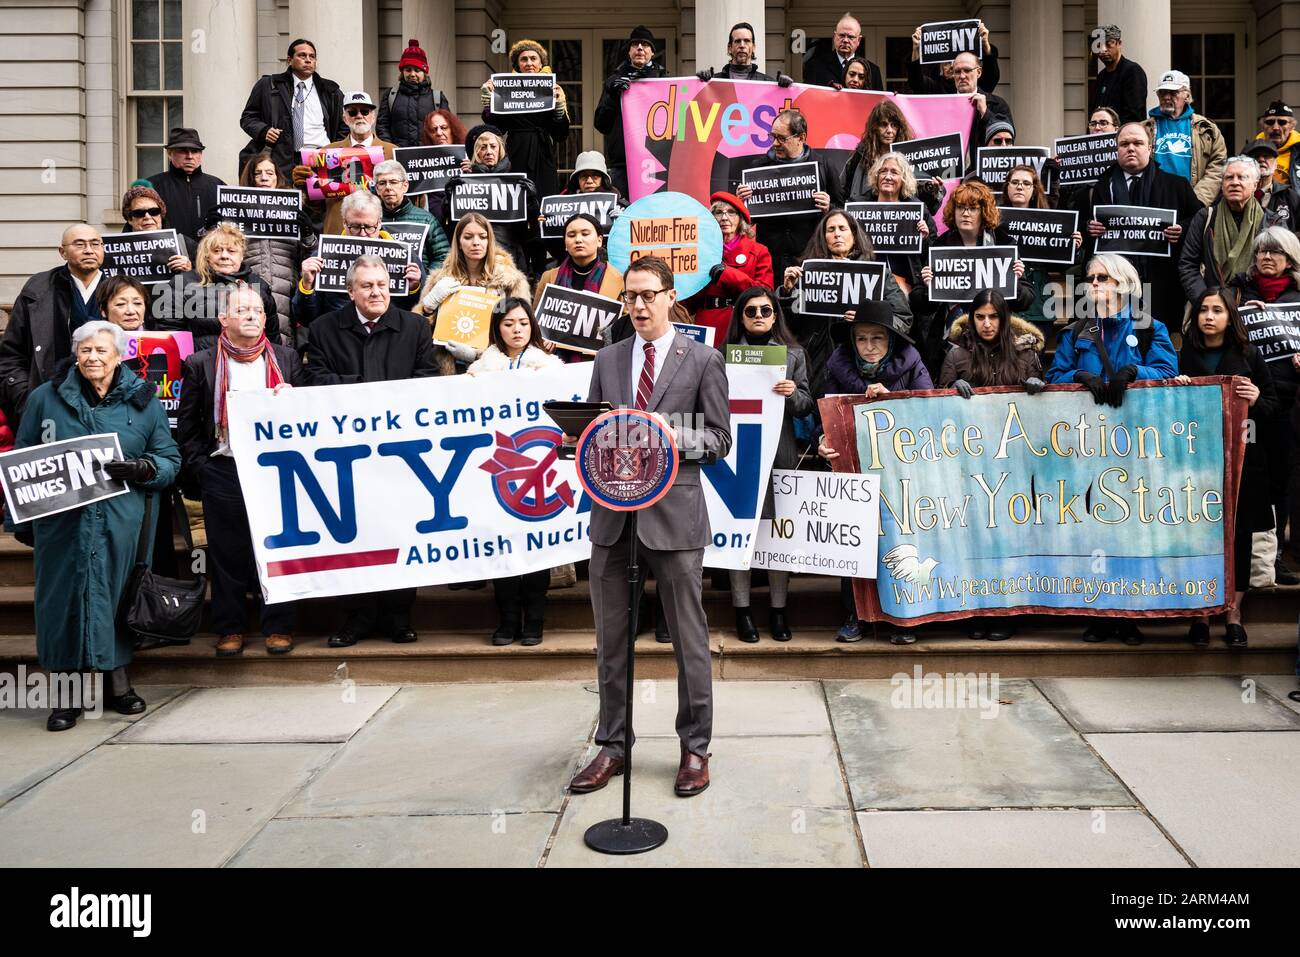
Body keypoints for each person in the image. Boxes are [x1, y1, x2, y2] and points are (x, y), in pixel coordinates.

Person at [568, 256, 731, 799]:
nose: (637, 306)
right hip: (613, 517)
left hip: (675, 517)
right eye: (629, 297)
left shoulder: (702, 359)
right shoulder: (609, 358)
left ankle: (695, 749)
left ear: (669, 295)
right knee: (611, 639)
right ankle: (612, 745)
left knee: (689, 638)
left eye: (646, 295)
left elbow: (718, 440)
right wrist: (582, 437)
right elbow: (597, 429)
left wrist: (670, 435)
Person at [14, 320, 180, 731]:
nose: (92, 358)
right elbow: (21, 461)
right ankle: (67, 698)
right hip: (61, 524)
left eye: (101, 351)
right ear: (75, 354)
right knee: (61, 604)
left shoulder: (144, 402)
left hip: (122, 521)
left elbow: (171, 460)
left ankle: (118, 685)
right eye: (85, 350)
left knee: (116, 597)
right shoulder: (44, 399)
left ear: (119, 354)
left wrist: (144, 467)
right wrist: (19, 520)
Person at [305, 255, 450, 646]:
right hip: (346, 455)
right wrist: (367, 386)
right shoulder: (323, 329)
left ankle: (398, 617)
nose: (376, 292)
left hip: (400, 453)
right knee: (354, 537)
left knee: (401, 531)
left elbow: (427, 379)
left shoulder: (415, 326)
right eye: (367, 286)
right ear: (350, 291)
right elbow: (314, 380)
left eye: (383, 285)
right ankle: (354, 618)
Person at [1046, 254, 1177, 645]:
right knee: (1092, 524)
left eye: (1103, 277)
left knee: (1132, 527)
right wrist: (1080, 375)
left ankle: (1129, 612)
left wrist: (1135, 372)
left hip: (1135, 443)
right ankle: (1099, 611)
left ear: (1123, 282)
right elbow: (1056, 375)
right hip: (1088, 443)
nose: (1095, 284)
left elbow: (1168, 371)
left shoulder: (1150, 327)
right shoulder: (1077, 331)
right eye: (1090, 278)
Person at [176, 285, 304, 658]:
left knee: (277, 550)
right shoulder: (201, 363)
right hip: (224, 468)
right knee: (227, 553)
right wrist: (203, 467)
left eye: (257, 310)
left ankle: (278, 626)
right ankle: (230, 627)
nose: (251, 315)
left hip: (276, 470)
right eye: (242, 309)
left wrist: (292, 401)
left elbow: (310, 418)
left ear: (266, 319)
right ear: (224, 319)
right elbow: (187, 427)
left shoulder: (288, 359)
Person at [815, 299, 932, 645]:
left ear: (891, 341)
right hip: (852, 467)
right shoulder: (836, 365)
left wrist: (895, 397)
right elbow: (818, 416)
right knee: (854, 540)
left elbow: (929, 412)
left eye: (877, 339)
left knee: (900, 542)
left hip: (902, 470)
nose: (868, 347)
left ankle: (903, 618)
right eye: (861, 339)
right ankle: (856, 615)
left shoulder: (912, 364)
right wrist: (821, 439)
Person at [938, 289, 1046, 640]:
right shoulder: (956, 355)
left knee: (1007, 537)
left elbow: (1044, 413)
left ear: (1003, 319)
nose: (986, 324)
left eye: (993, 317)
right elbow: (934, 405)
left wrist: (1038, 387)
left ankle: (1004, 610)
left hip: (1013, 461)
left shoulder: (1025, 355)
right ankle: (975, 609)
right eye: (980, 317)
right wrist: (952, 388)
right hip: (969, 462)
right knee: (974, 536)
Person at [1174, 288, 1275, 648]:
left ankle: (1233, 612)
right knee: (1200, 534)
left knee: (1239, 535)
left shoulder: (1249, 354)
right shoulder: (1184, 356)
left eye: (1217, 310)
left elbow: (1273, 408)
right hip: (1197, 461)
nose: (1209, 316)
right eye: (1203, 310)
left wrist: (1258, 399)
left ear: (1230, 316)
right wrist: (1177, 389)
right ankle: (1201, 613)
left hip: (1245, 460)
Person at [465, 297, 563, 645]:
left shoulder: (551, 367)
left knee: (536, 545)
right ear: (497, 327)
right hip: (497, 467)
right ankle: (507, 619)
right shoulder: (480, 371)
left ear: (532, 325)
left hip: (537, 464)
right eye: (508, 324)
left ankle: (534, 618)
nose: (516, 329)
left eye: (522, 322)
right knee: (501, 543)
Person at [724, 287, 811, 641]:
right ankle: (741, 611)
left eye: (765, 310)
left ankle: (778, 610)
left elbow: (807, 404)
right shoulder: (722, 356)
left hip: (780, 450)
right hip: (739, 452)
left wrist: (793, 394)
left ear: (776, 314)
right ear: (741, 317)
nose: (758, 316)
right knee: (739, 533)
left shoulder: (793, 354)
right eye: (751, 311)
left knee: (779, 534)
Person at [1228, 227, 1300, 583]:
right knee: (1250, 477)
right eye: (1261, 252)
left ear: (1290, 260)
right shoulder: (1237, 293)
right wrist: (1240, 316)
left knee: (1282, 478)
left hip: (1288, 400)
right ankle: (1243, 557)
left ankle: (1274, 559)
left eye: (1275, 252)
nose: (1266, 258)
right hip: (1247, 402)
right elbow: (1210, 328)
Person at [780, 208, 912, 397]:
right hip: (816, 361)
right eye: (831, 229)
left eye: (842, 228)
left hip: (864, 363)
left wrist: (868, 320)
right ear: (823, 237)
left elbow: (903, 318)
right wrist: (787, 293)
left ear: (854, 235)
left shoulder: (877, 275)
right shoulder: (806, 274)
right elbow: (789, 327)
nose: (837, 234)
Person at [1086, 122, 1203, 330]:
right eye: (1124, 144)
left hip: (1162, 284)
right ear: (1117, 149)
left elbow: (1201, 219)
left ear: (1150, 148)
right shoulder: (1100, 187)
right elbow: (1081, 228)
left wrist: (1182, 229)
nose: (1131, 148)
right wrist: (1090, 228)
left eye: (1138, 143)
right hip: (1115, 284)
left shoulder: (1176, 185)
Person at [913, 180, 1031, 368]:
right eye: (960, 207)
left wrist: (1014, 281)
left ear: (983, 212)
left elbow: (1025, 300)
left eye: (973, 208)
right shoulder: (940, 246)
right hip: (950, 340)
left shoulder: (1003, 242)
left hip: (995, 336)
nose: (966, 213)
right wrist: (928, 287)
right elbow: (918, 302)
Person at [0, 224, 105, 422]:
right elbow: (11, 355)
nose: (89, 250)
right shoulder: (38, 288)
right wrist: (27, 397)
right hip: (49, 399)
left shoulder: (119, 288)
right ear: (62, 252)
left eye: (95, 244)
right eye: (79, 244)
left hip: (106, 403)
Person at [292, 191, 425, 335]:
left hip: (389, 338)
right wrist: (306, 286)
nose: (362, 234)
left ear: (379, 223)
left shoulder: (404, 256)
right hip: (339, 338)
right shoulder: (324, 256)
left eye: (368, 227)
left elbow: (419, 312)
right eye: (355, 227)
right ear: (344, 222)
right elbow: (306, 318)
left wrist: (414, 288)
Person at [737, 109, 844, 280]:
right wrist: (741, 203)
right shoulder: (758, 168)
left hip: (811, 258)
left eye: (782, 138)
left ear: (800, 138)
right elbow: (747, 221)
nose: (775, 143)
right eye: (772, 136)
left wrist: (828, 208)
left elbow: (842, 213)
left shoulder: (824, 166)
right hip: (770, 261)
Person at [418, 213, 532, 367]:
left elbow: (522, 333)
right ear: (458, 242)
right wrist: (427, 306)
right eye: (468, 237)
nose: (476, 243)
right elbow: (418, 333)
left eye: (482, 237)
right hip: (447, 367)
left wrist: (478, 356)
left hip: (493, 369)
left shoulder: (512, 281)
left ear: (490, 241)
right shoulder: (440, 279)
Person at [223, 151, 318, 330]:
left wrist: (308, 235)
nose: (264, 178)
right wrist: (212, 227)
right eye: (258, 173)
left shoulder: (293, 208)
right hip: (246, 285)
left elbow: (310, 257)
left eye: (269, 173)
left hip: (287, 286)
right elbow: (218, 250)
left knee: (283, 338)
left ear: (277, 178)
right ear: (251, 179)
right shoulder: (234, 211)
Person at [153, 222, 280, 352]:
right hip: (201, 368)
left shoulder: (259, 286)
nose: (224, 256)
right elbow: (170, 334)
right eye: (217, 251)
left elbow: (272, 336)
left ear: (241, 256)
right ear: (207, 256)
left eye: (231, 251)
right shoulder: (182, 284)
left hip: (250, 364)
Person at [239, 38, 346, 179]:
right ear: (289, 60)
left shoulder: (331, 90)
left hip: (320, 158)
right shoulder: (268, 85)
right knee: (286, 199)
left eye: (312, 56)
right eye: (302, 55)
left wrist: (333, 150)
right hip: (282, 159)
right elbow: (248, 118)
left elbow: (344, 125)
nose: (308, 60)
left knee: (317, 200)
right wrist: (263, 131)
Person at [294, 91, 396, 237]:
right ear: (345, 118)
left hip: (380, 234)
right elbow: (315, 205)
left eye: (365, 111)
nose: (359, 116)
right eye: (352, 112)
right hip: (337, 234)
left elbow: (407, 195)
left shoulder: (392, 152)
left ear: (373, 116)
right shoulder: (326, 152)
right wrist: (304, 186)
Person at [445, 124, 540, 276]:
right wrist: (448, 203)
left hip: (509, 260)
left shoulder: (516, 184)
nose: (488, 151)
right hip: (472, 262)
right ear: (476, 153)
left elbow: (530, 234)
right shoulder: (462, 184)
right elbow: (452, 230)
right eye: (483, 147)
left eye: (493, 146)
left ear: (500, 150)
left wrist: (531, 204)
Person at [480, 40, 570, 198]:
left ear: (541, 63)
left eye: (533, 58)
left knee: (544, 198)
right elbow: (497, 128)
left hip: (542, 154)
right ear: (517, 65)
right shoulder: (505, 89)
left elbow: (560, 134)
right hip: (516, 151)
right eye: (524, 59)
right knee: (517, 198)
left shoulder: (553, 89)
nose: (529, 63)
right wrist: (490, 102)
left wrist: (559, 109)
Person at [684, 192, 774, 346]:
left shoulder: (759, 251)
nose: (724, 218)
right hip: (708, 323)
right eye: (718, 212)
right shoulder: (700, 251)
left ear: (740, 219)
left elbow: (765, 293)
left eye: (731, 212)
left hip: (743, 324)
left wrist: (727, 274)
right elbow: (689, 301)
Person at [1001, 163, 1082, 328]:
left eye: (1026, 183)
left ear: (1033, 191)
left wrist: (1073, 248)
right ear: (1007, 187)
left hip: (1038, 306)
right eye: (1015, 182)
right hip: (1004, 304)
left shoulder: (1050, 221)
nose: (1020, 187)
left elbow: (1059, 266)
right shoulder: (992, 221)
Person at [1180, 156, 1270, 303]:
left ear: (1255, 185)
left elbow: (1278, 269)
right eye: (1229, 177)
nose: (1235, 182)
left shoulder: (1270, 221)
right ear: (1222, 184)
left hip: (1253, 305)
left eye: (1242, 177)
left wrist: (1256, 301)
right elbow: (1188, 264)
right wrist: (1205, 300)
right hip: (1213, 305)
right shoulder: (1205, 217)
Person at [594, 26, 669, 197]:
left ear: (652, 52)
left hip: (656, 162)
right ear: (629, 52)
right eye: (635, 44)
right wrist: (613, 97)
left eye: (645, 45)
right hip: (622, 164)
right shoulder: (614, 81)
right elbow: (601, 124)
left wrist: (703, 81)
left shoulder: (665, 80)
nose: (640, 48)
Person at [853, 153, 937, 295]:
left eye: (894, 172)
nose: (887, 176)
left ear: (903, 179)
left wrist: (924, 239)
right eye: (883, 171)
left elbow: (931, 253)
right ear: (876, 177)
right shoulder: (858, 207)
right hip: (867, 282)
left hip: (906, 287)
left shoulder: (918, 211)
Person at [843, 100, 945, 214]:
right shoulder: (861, 155)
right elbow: (842, 191)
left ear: (900, 128)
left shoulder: (912, 156)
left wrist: (931, 190)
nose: (889, 131)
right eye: (884, 125)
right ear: (874, 127)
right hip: (864, 220)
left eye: (894, 125)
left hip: (901, 222)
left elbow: (927, 209)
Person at [1144, 70, 1227, 206]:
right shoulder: (1144, 128)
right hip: (1153, 201)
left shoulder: (1207, 129)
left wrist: (1198, 200)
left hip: (1192, 201)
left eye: (1173, 93)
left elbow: (1218, 165)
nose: (1166, 97)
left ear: (1186, 95)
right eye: (1162, 92)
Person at [146, 128, 224, 246]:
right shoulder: (152, 187)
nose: (190, 156)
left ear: (201, 154)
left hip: (209, 258)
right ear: (169, 154)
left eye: (195, 151)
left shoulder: (218, 186)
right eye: (183, 151)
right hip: (168, 258)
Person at [534, 212, 625, 311]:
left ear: (599, 240)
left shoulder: (619, 280)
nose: (578, 240)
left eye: (585, 234)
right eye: (571, 235)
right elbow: (536, 319)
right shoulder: (548, 278)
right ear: (565, 243)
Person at [373, 159, 450, 274]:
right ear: (377, 189)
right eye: (382, 183)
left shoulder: (426, 219)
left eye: (393, 182)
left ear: (405, 186)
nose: (388, 187)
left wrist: (423, 277)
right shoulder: (371, 219)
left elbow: (443, 256)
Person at [944, 51, 1013, 169]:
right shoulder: (943, 105)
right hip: (950, 175)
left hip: (985, 175)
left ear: (978, 72)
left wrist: (985, 112)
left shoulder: (997, 104)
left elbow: (1007, 140)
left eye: (967, 70)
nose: (962, 76)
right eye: (957, 71)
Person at [377, 39, 449, 148]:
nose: (412, 74)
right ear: (402, 72)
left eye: (417, 70)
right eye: (408, 70)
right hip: (398, 157)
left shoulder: (437, 98)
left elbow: (447, 128)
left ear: (424, 72)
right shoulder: (390, 95)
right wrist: (391, 149)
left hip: (429, 158)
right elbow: (382, 126)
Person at [907, 20, 1001, 95]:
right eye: (948, 62)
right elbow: (915, 81)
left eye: (958, 62)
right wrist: (916, 49)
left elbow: (991, 77)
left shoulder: (974, 85)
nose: (953, 66)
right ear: (941, 67)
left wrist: (985, 45)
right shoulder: (933, 88)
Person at [121, 185, 195, 268]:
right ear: (129, 219)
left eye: (154, 211)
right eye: (139, 213)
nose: (147, 217)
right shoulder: (114, 249)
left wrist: (191, 268)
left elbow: (207, 274)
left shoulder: (185, 244)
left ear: (161, 214)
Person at [803, 15, 883, 91]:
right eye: (841, 35)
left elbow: (881, 103)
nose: (845, 40)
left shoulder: (873, 71)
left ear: (858, 40)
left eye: (851, 37)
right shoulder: (815, 67)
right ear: (834, 37)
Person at [698, 21, 792, 85]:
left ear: (753, 47)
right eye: (737, 41)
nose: (742, 45)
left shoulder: (767, 83)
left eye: (747, 41)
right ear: (729, 48)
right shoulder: (714, 81)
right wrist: (700, 83)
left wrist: (785, 89)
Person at [1090, 24, 1148, 125]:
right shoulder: (1101, 76)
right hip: (1101, 137)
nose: (1103, 50)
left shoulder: (1132, 71)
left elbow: (1133, 114)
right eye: (1098, 46)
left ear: (1119, 44)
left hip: (1126, 137)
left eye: (1108, 44)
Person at [419, 108, 468, 223]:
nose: (439, 133)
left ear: (453, 130)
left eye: (444, 128)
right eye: (434, 129)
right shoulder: (422, 161)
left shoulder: (469, 154)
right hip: (436, 219)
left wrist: (474, 170)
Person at [1243, 139, 1300, 231]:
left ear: (1276, 164)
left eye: (1267, 156)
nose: (1261, 159)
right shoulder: (1236, 195)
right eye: (1256, 156)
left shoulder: (1290, 197)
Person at [1256, 100, 1300, 189]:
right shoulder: (1252, 151)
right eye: (1270, 122)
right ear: (1262, 127)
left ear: (1292, 127)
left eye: (1282, 122)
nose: (1275, 127)